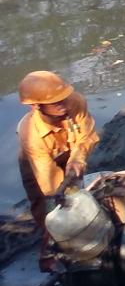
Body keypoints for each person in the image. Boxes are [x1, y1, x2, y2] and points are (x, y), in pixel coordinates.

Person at [16, 71, 98, 244]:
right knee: (47, 202)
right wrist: (66, 198)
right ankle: (58, 242)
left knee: (77, 180)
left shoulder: (76, 102)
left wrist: (77, 157)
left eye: (65, 98)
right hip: (38, 161)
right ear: (36, 106)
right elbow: (50, 182)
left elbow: (86, 136)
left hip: (66, 147)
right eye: (56, 102)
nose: (64, 104)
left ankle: (90, 225)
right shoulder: (32, 138)